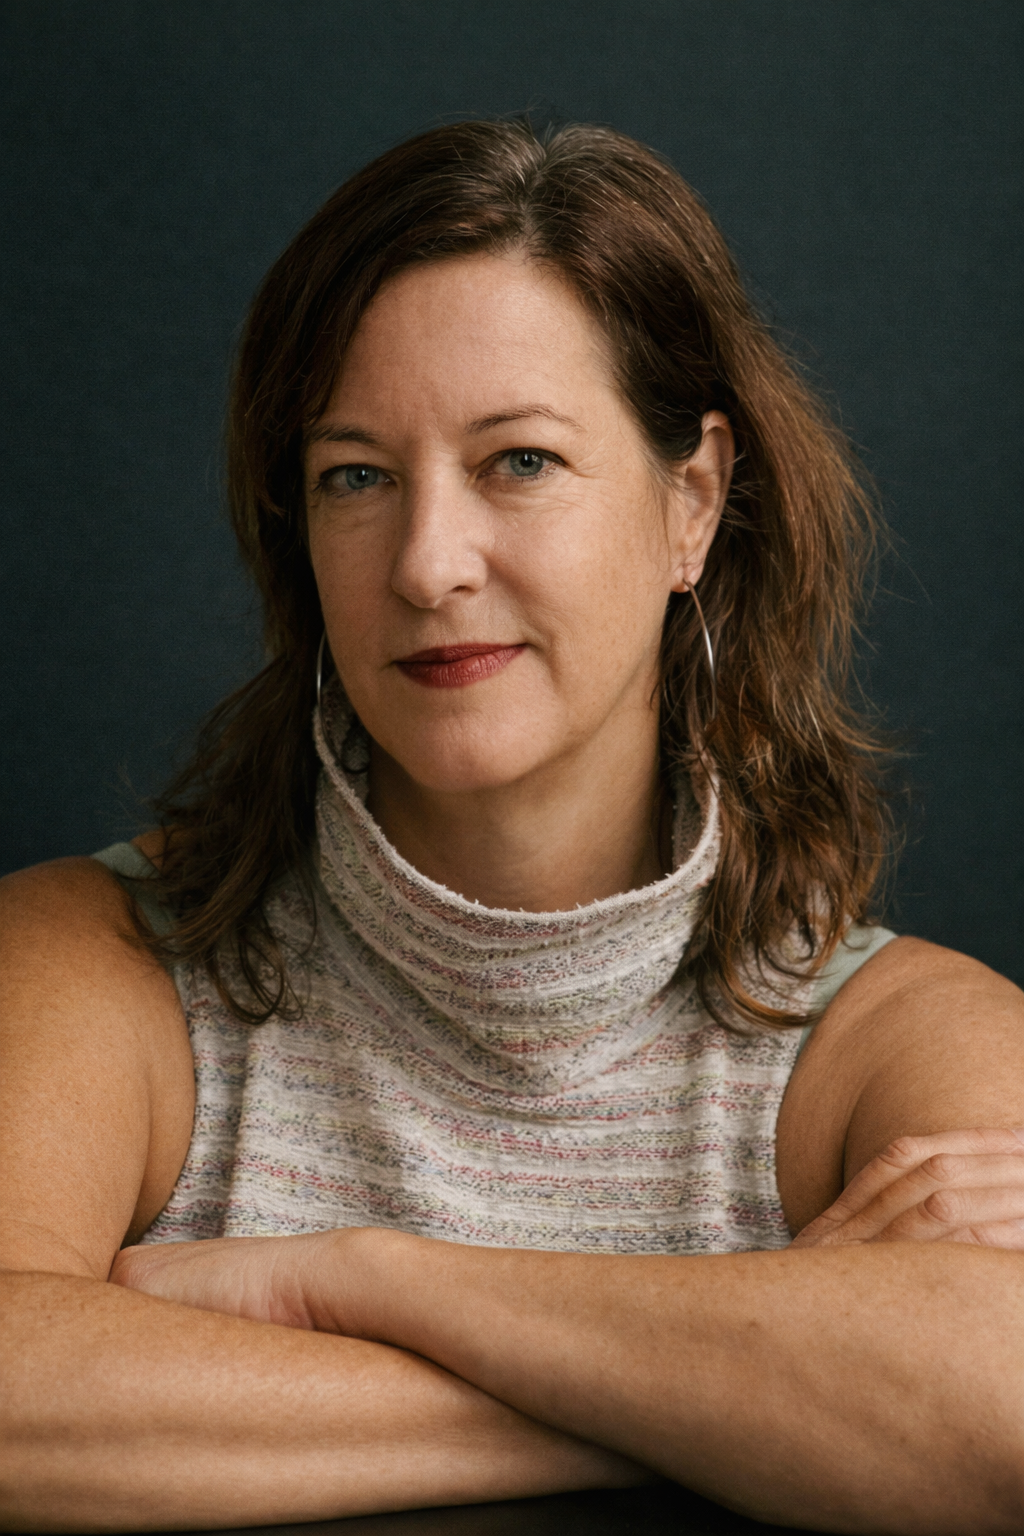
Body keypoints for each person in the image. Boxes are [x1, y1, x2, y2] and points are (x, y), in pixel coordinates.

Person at [1, 119, 1021, 1535]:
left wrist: (360, 1280)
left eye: (519, 462)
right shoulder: (91, 963)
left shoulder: (895, 1040)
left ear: (693, 501)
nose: (425, 565)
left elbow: (1001, 1421)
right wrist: (720, 1379)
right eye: (356, 474)